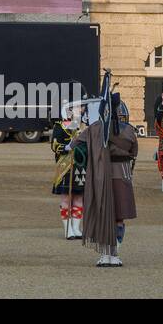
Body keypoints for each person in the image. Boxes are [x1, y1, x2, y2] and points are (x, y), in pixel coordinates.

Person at [80, 89, 137, 267]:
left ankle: (106, 254)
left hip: (100, 176)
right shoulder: (128, 130)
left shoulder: (96, 128)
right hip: (123, 174)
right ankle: (115, 254)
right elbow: (133, 152)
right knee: (118, 218)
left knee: (104, 214)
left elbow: (76, 146)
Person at [51, 93, 88, 239]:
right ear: (70, 109)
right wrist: (67, 147)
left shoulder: (84, 126)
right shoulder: (59, 126)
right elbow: (54, 145)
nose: (82, 109)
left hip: (81, 166)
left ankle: (76, 228)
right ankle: (68, 230)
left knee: (79, 197)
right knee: (66, 198)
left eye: (82, 107)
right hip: (65, 165)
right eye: (79, 107)